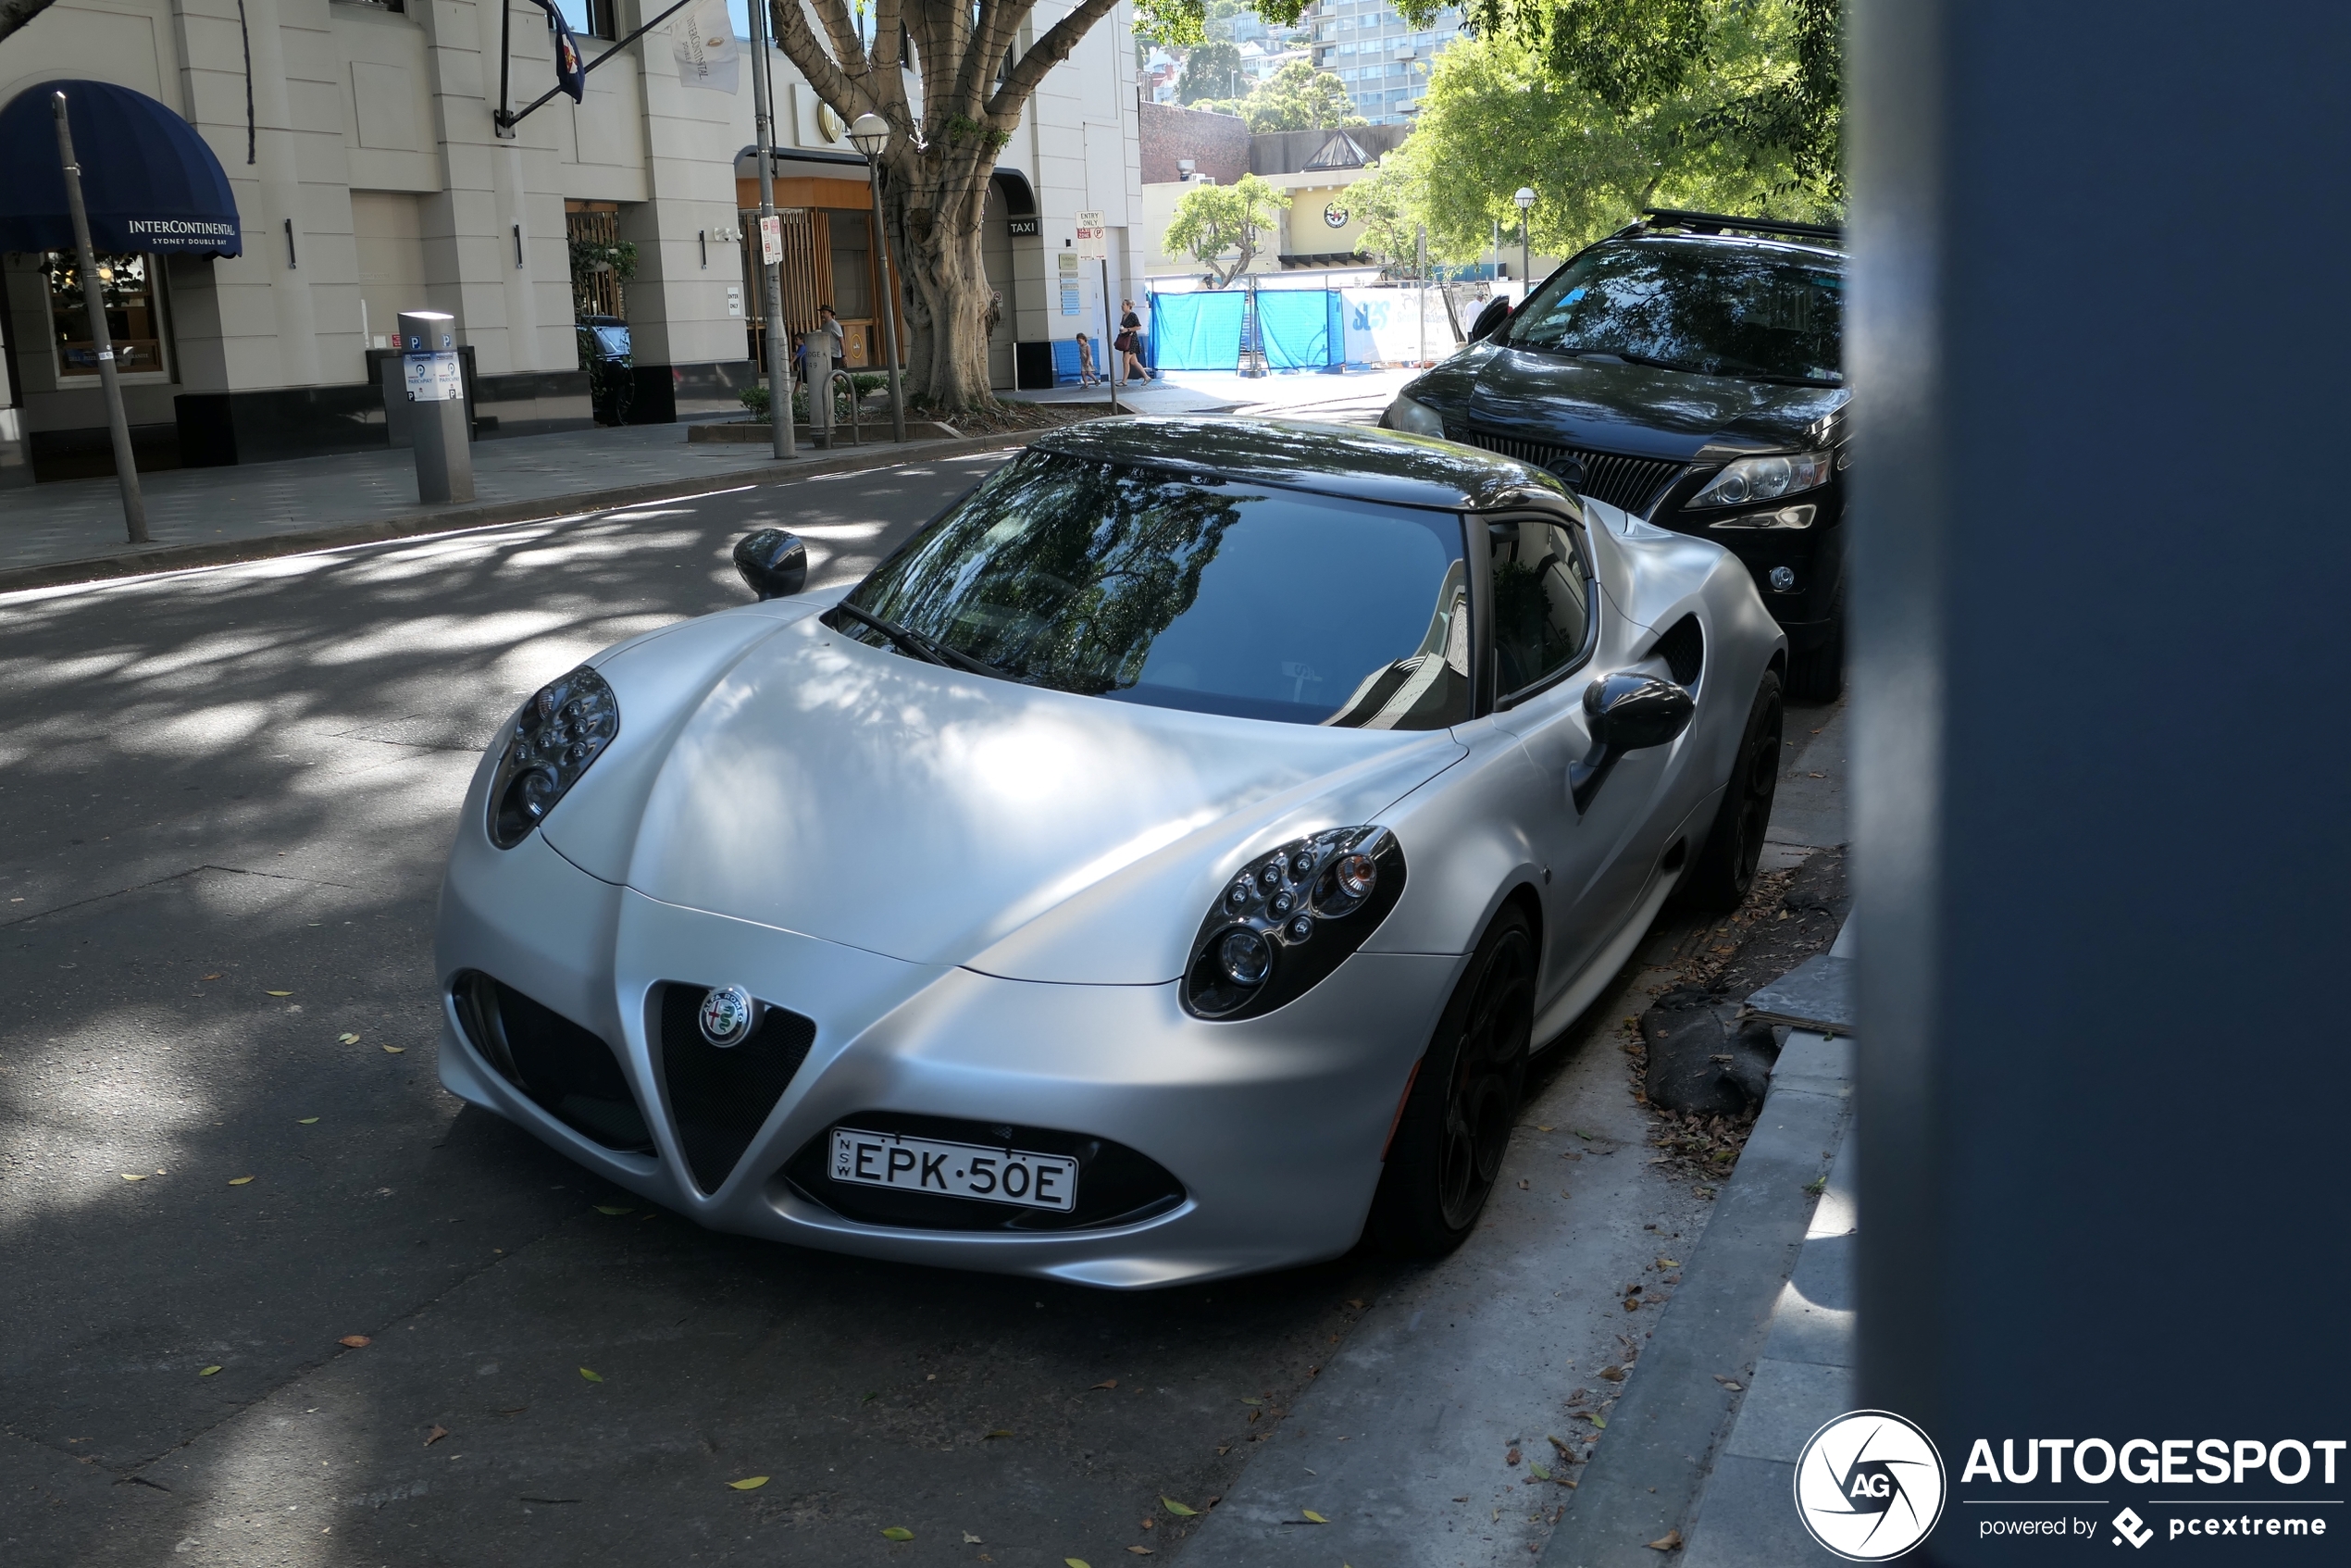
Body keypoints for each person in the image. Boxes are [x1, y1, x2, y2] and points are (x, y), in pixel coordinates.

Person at [808, 305, 848, 443]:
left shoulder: (834, 325)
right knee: (831, 375)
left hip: (834, 354)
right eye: (822, 312)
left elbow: (841, 340)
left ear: (830, 313)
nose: (822, 314)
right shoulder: (824, 326)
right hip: (825, 354)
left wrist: (844, 355)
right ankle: (841, 392)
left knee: (834, 375)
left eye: (824, 312)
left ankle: (847, 392)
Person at [1115, 298, 1155, 383]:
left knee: (1125, 360)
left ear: (1128, 306)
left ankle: (1124, 381)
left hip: (1131, 341)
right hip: (1126, 340)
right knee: (1133, 362)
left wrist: (1128, 329)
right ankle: (1146, 377)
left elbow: (1138, 326)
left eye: (1123, 305)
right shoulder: (1123, 316)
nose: (1122, 306)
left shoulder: (1132, 315)